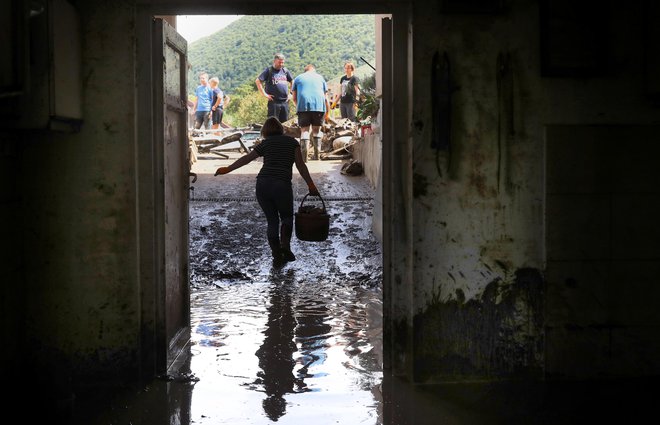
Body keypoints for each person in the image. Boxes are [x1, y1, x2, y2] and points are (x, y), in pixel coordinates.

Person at [214, 117, 320, 266]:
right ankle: (285, 247)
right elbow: (301, 166)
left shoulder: (265, 144)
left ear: (265, 131)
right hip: (281, 185)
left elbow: (246, 159)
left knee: (272, 220)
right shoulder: (292, 143)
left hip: (262, 184)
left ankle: (276, 253)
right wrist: (311, 185)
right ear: (281, 129)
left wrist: (228, 169)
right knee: (287, 217)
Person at [291, 64, 328, 161]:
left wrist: (299, 107)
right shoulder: (320, 78)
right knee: (316, 131)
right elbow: (325, 98)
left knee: (305, 131)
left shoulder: (298, 78)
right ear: (313, 70)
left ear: (305, 70)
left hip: (303, 107)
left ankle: (304, 157)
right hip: (319, 107)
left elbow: (294, 98)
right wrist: (327, 111)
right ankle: (317, 156)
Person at [256, 53, 294, 123]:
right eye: (279, 62)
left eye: (282, 62)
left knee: (285, 123)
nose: (281, 64)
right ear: (274, 61)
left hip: (285, 102)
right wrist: (264, 94)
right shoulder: (269, 70)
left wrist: (291, 94)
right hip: (274, 102)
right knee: (273, 123)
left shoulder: (285, 71)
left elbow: (292, 81)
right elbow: (258, 81)